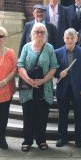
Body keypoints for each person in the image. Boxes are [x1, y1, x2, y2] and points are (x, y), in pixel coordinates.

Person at [18, 23, 59, 152]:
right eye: (37, 32)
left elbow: (54, 67)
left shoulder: (50, 48)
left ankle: (41, 140)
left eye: (42, 32)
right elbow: (20, 65)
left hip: (44, 87)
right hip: (28, 88)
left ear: (45, 34)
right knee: (28, 115)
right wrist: (28, 80)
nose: (39, 34)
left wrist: (43, 80)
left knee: (42, 115)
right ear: (32, 34)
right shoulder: (26, 47)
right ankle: (27, 141)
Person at [55, 28, 81, 148]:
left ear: (76, 38)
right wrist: (59, 73)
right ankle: (62, 137)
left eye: (72, 38)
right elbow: (53, 70)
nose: (69, 40)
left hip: (78, 89)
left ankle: (78, 138)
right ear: (63, 39)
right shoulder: (57, 52)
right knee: (62, 114)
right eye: (67, 38)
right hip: (63, 88)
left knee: (79, 114)